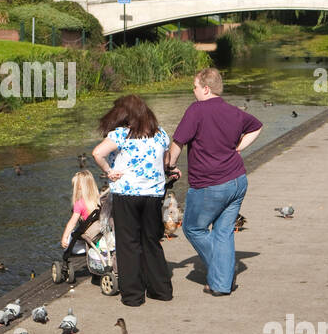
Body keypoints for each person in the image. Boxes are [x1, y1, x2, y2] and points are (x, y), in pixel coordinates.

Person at [168, 68, 262, 296]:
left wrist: (169, 167)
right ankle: (221, 283)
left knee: (193, 228)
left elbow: (178, 143)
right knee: (223, 232)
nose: (193, 90)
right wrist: (238, 149)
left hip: (210, 185)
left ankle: (224, 272)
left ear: (206, 88)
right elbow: (257, 126)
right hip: (237, 181)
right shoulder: (232, 111)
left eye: (195, 86)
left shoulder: (196, 110)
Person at [92, 95, 172, 307]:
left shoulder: (120, 135)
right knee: (152, 242)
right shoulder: (160, 134)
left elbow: (97, 153)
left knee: (128, 244)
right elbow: (166, 162)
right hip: (153, 194)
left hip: (127, 194)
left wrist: (109, 171)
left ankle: (133, 296)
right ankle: (161, 290)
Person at [60, 169, 101, 251]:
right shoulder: (97, 199)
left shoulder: (79, 204)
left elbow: (72, 223)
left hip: (87, 235)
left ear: (79, 188)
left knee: (68, 243)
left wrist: (64, 237)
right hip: (97, 232)